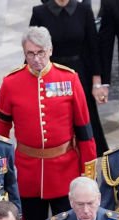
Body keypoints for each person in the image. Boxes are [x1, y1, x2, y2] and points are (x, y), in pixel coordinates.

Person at [0, 26, 97, 220]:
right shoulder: (11, 83)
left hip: (65, 171)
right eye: (30, 53)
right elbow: (0, 134)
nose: (36, 59)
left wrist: (87, 174)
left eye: (40, 52)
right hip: (28, 173)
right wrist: (1, 174)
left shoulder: (69, 79)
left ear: (50, 50)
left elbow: (85, 131)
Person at [28, 0, 108, 154]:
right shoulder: (40, 12)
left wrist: (97, 81)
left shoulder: (83, 10)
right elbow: (32, 49)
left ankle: (91, 154)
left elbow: (93, 47)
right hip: (51, 74)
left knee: (86, 116)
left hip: (80, 73)